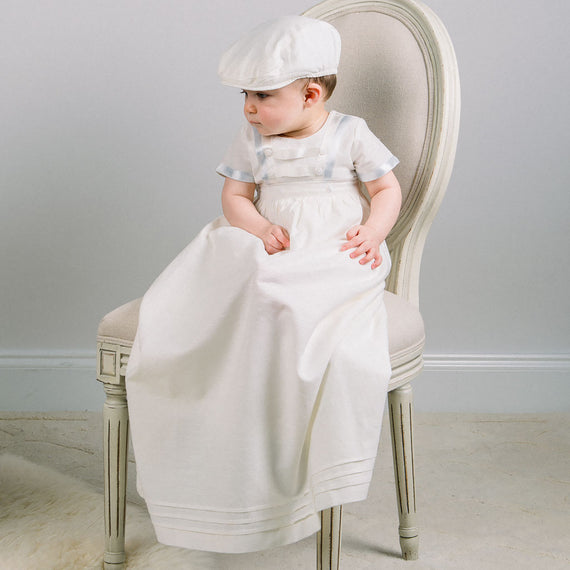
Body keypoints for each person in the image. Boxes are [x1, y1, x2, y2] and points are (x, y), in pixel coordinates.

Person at [126, 15, 402, 554]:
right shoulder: (255, 137)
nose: (250, 107)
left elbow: (386, 188)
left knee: (296, 304)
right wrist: (259, 227)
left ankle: (291, 451)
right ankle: (226, 434)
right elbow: (234, 198)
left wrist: (372, 231)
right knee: (238, 289)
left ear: (311, 93)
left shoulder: (350, 133)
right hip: (272, 241)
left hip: (333, 248)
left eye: (263, 95)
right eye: (246, 96)